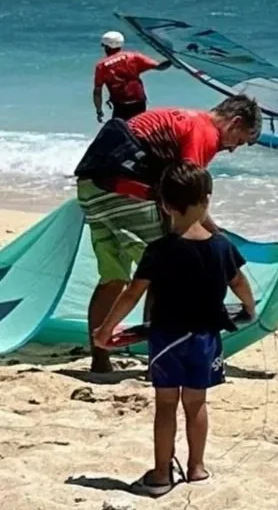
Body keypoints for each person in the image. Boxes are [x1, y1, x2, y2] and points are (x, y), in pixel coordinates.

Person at [73, 94, 263, 375]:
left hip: (92, 188)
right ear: (235, 123)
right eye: (241, 140)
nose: (234, 149)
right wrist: (213, 232)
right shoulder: (204, 132)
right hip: (126, 192)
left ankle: (100, 359)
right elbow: (189, 192)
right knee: (163, 273)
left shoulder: (184, 116)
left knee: (113, 277)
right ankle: (159, 360)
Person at [99, 163, 255, 494]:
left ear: (165, 205)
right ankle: (197, 468)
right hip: (206, 338)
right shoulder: (222, 245)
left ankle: (161, 474)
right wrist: (250, 310)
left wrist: (105, 329)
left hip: (167, 337)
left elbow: (133, 293)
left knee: (166, 405)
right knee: (196, 404)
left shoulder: (159, 250)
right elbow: (239, 282)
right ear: (207, 200)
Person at [92, 30, 165, 121]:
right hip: (139, 102)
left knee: (120, 131)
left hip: (120, 105)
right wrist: (173, 60)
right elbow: (160, 67)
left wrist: (99, 111)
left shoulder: (101, 66)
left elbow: (97, 92)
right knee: (138, 129)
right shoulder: (134, 56)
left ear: (107, 47)